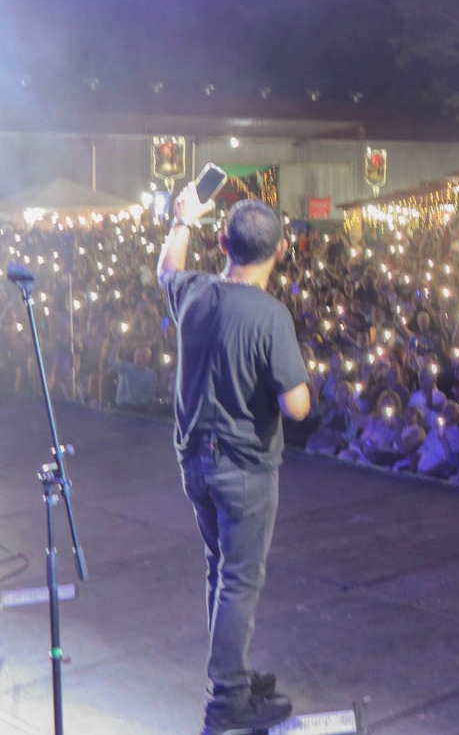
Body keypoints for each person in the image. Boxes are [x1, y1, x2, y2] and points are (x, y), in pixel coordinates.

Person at [158, 191, 311, 735]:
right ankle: (226, 698)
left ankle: (233, 674)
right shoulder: (270, 316)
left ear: (222, 243)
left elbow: (167, 270)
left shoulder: (196, 294)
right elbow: (297, 405)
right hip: (244, 469)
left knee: (218, 572)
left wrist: (181, 223)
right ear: (281, 250)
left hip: (194, 463)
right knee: (240, 580)